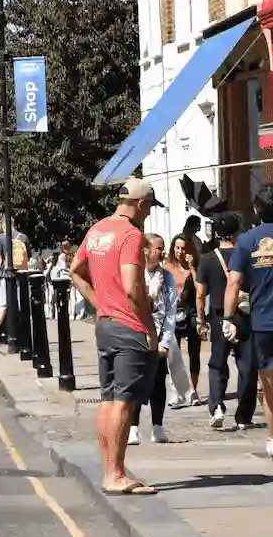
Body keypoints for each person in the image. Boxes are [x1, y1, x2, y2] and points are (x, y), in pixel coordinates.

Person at [71, 176, 160, 496]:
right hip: (128, 327)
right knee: (124, 401)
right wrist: (149, 327)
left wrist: (100, 304)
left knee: (108, 399)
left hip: (106, 325)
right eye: (149, 207)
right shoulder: (131, 235)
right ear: (140, 204)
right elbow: (133, 287)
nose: (148, 213)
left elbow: (75, 271)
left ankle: (109, 470)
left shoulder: (97, 230)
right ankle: (116, 474)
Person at [223, 184, 273, 461]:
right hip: (264, 321)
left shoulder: (246, 241)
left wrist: (228, 317)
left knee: (269, 382)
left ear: (256, 209)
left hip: (264, 322)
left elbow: (233, 282)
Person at [197, 213, 253, 430]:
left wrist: (201, 320)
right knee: (246, 364)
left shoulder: (207, 259)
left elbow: (200, 294)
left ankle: (217, 406)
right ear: (237, 231)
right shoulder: (246, 255)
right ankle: (243, 415)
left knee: (217, 363)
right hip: (244, 313)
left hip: (219, 315)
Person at [139, 233, 178, 445]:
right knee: (135, 381)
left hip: (159, 333)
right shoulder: (136, 274)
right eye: (158, 248)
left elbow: (171, 311)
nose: (162, 252)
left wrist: (165, 341)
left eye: (163, 248)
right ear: (145, 250)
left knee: (158, 381)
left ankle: (157, 426)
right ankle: (133, 426)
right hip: (137, 334)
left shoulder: (167, 277)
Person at [166, 233, 200, 408]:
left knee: (194, 353)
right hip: (173, 314)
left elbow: (200, 289)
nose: (180, 251)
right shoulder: (167, 267)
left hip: (191, 313)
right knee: (173, 355)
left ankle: (193, 391)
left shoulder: (195, 266)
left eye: (183, 248)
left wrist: (192, 267)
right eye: (177, 248)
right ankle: (177, 392)